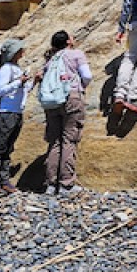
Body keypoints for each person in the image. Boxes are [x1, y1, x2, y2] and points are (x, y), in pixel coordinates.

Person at [39, 30, 94, 195]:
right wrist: (80, 87)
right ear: (68, 42)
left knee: (55, 141)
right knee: (69, 140)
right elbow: (87, 75)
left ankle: (51, 184)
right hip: (71, 98)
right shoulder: (76, 54)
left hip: (51, 102)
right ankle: (66, 183)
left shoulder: (50, 60)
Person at [0, 39, 34, 196]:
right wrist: (18, 82)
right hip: (5, 112)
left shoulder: (16, 68)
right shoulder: (6, 69)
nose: (23, 52)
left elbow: (23, 90)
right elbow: (1, 90)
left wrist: (33, 82)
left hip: (16, 112)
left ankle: (4, 181)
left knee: (8, 148)